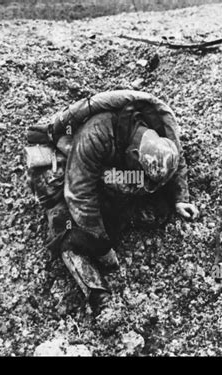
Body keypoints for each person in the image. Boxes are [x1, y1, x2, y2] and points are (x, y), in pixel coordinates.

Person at [26, 90, 199, 313]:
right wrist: (102, 247)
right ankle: (98, 295)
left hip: (111, 170)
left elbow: (176, 159)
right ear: (134, 155)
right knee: (66, 228)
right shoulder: (96, 135)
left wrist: (180, 199)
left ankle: (119, 214)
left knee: (157, 208)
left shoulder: (161, 130)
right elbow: (79, 195)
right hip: (69, 165)